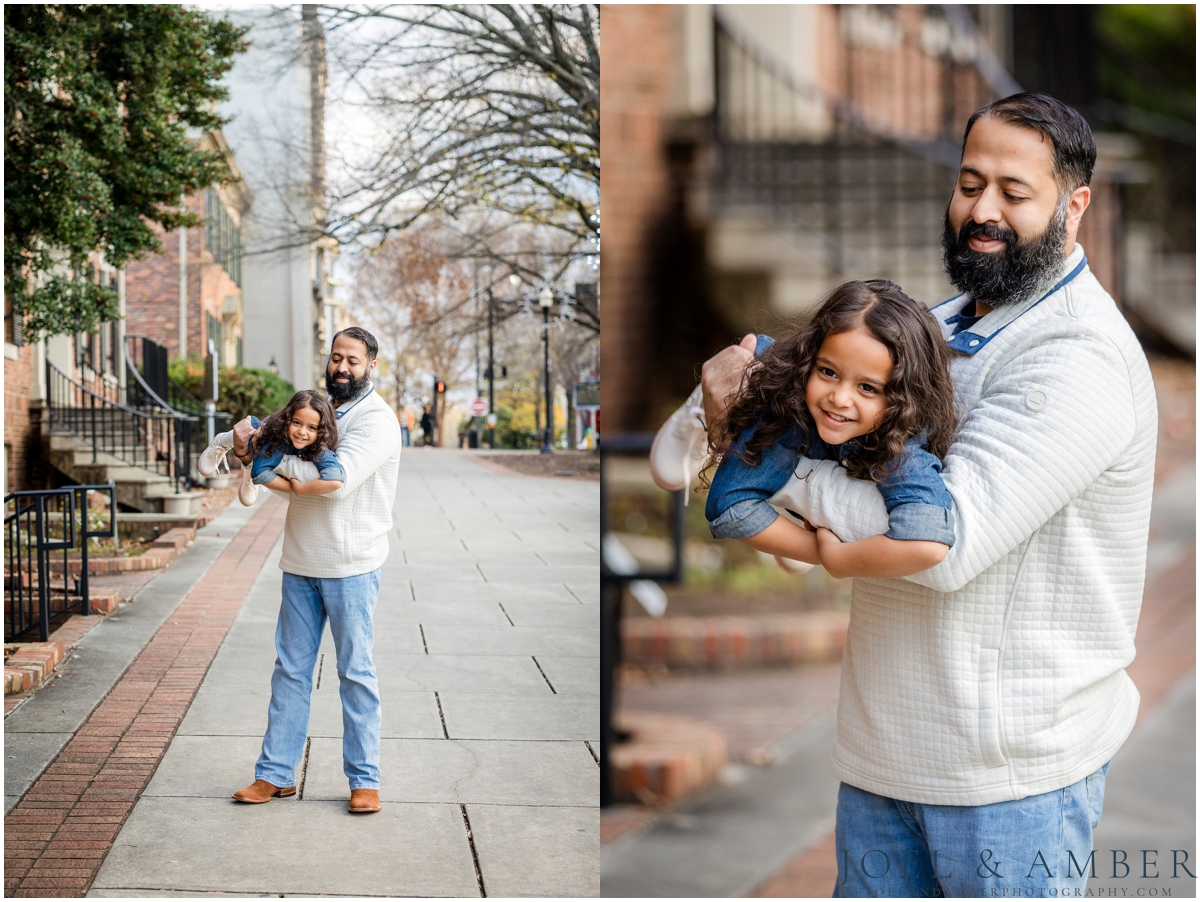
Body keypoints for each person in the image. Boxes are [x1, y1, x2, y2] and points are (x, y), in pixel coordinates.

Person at [657, 93, 1157, 896]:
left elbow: (942, 543)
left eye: (1014, 192)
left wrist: (775, 476)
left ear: (1074, 206)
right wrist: (745, 412)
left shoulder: (1075, 355)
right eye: (969, 183)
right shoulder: (933, 327)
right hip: (887, 753)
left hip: (1007, 779)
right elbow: (837, 446)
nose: (982, 211)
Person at [230, 326, 402, 815]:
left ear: (371, 366)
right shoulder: (313, 413)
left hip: (352, 565)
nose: (341, 367)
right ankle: (275, 775)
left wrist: (266, 465)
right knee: (290, 670)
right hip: (301, 560)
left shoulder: (377, 421)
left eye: (353, 360)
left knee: (355, 672)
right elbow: (269, 454)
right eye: (336, 358)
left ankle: (365, 781)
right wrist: (247, 451)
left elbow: (336, 483)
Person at [704, 281, 958, 581]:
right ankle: (698, 411)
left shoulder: (902, 444)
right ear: (808, 360)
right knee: (742, 375)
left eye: (867, 387)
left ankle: (789, 505)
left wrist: (842, 560)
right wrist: (822, 552)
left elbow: (927, 543)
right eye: (828, 372)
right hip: (751, 382)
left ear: (904, 399)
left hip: (825, 446)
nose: (839, 398)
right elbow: (728, 505)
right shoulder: (783, 399)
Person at [198, 390, 344, 507]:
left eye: (311, 427)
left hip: (270, 453)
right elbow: (260, 472)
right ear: (288, 420)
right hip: (261, 434)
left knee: (254, 483)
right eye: (297, 422)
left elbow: (335, 480)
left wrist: (301, 489)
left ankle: (249, 465)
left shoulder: (320, 450)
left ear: (321, 431)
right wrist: (291, 488)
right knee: (249, 431)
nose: (302, 431)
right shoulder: (276, 437)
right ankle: (222, 441)